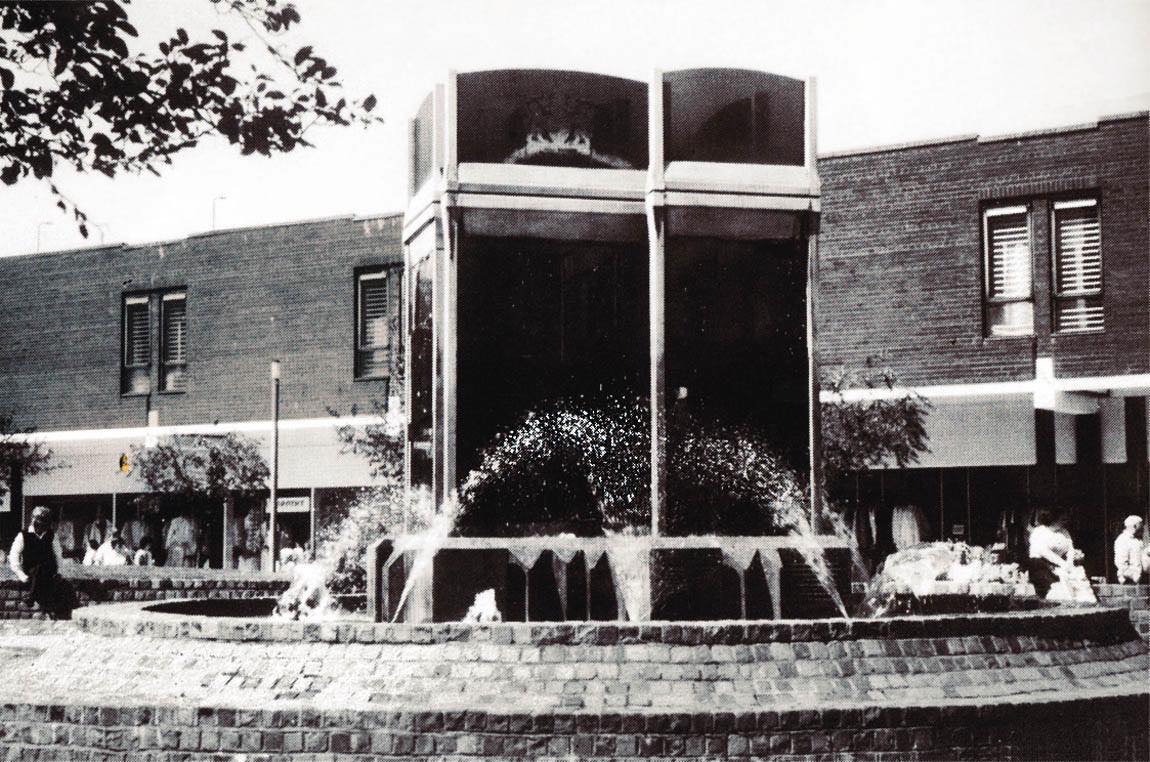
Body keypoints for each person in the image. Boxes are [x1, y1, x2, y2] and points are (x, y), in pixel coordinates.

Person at [8, 506, 64, 612]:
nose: (43, 527)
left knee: (43, 567)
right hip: (30, 570)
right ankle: (44, 602)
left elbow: (58, 555)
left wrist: (59, 572)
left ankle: (31, 596)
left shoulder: (52, 535)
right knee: (38, 569)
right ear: (34, 521)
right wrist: (21, 575)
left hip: (48, 569)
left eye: (46, 523)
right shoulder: (23, 535)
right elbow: (13, 556)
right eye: (41, 522)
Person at [1027, 510, 1075, 598]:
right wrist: (1062, 564)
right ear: (1053, 519)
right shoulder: (1039, 531)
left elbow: (1070, 549)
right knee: (1056, 590)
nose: (1065, 522)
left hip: (1059, 565)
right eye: (1063, 519)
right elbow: (1044, 551)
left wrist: (1070, 563)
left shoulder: (1064, 532)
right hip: (1041, 565)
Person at [1114, 515, 1145, 584]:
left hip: (1140, 580)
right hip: (1128, 581)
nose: (1143, 527)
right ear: (1135, 526)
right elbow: (1120, 563)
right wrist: (1134, 576)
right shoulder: (1122, 540)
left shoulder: (1138, 540)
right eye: (1141, 525)